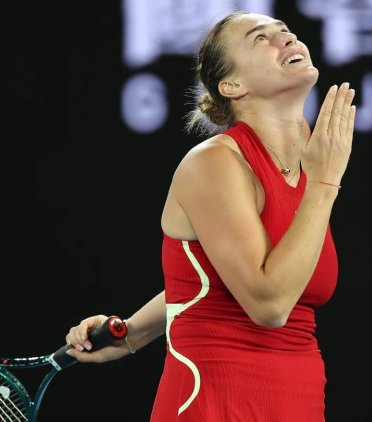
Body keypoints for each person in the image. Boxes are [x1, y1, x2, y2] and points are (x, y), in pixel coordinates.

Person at [64, 10, 356, 421]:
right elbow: (268, 304)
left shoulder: (308, 162)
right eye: (260, 38)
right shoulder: (213, 164)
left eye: (286, 31)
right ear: (232, 86)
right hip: (214, 402)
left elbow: (214, 277)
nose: (287, 39)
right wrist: (324, 184)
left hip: (298, 400)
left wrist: (134, 331)